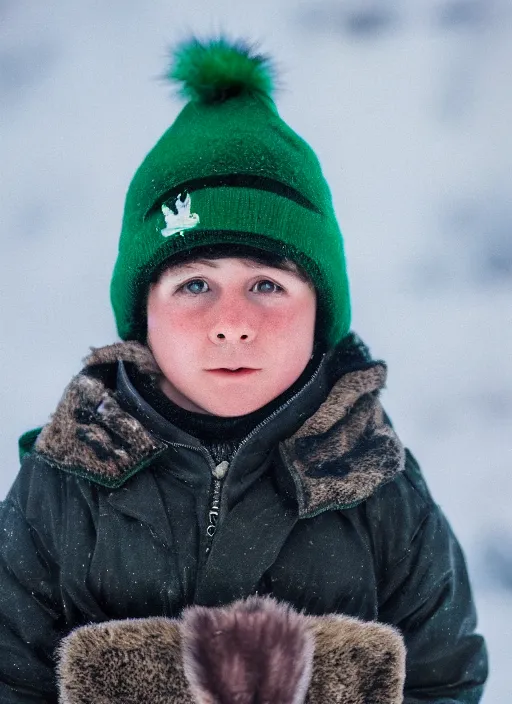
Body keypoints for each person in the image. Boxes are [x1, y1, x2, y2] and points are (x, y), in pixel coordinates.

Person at [0, 37, 487, 702]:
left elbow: (445, 673)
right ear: (142, 312)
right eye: (195, 285)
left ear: (322, 312)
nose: (232, 320)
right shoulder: (63, 486)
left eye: (266, 285)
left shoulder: (377, 487)